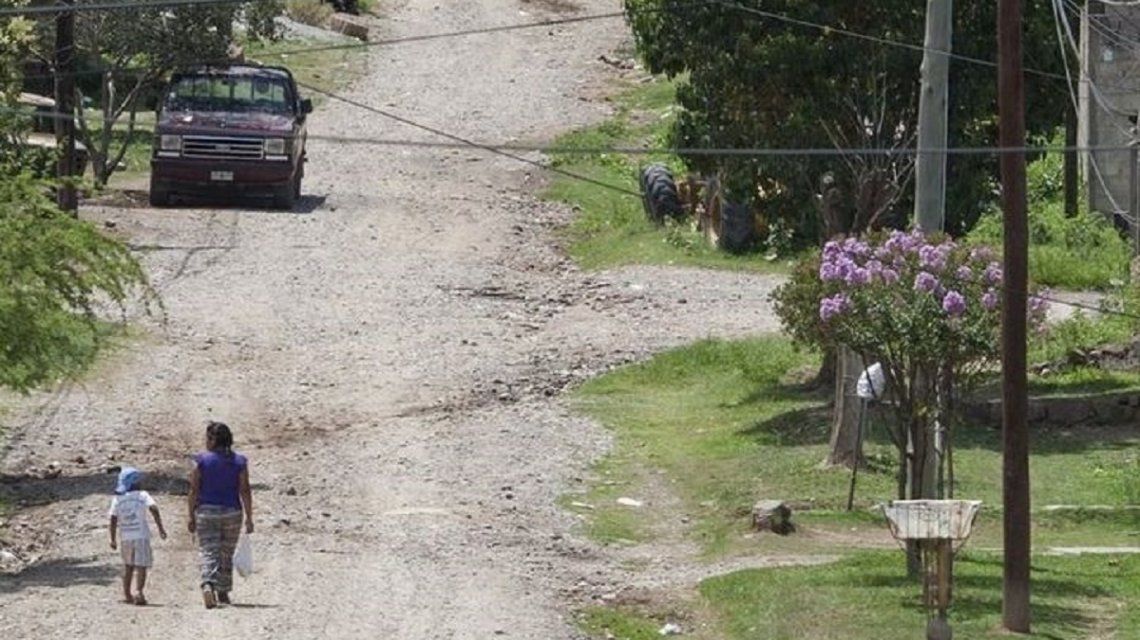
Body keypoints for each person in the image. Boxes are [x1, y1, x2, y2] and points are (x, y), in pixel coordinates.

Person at [188, 421, 254, 609]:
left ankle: (208, 583)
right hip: (232, 511)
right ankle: (223, 592)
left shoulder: (200, 460)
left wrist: (190, 515)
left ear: (213, 439)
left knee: (209, 550)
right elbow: (245, 490)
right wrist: (249, 517)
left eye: (207, 438)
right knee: (226, 552)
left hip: (206, 511)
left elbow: (193, 489)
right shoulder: (240, 461)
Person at [108, 467, 167, 605]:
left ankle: (127, 594)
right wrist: (160, 528)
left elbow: (113, 518)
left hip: (126, 537)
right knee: (141, 565)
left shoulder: (118, 498)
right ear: (136, 482)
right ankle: (139, 592)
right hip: (141, 536)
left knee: (128, 566)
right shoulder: (143, 495)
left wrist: (112, 539)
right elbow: (153, 508)